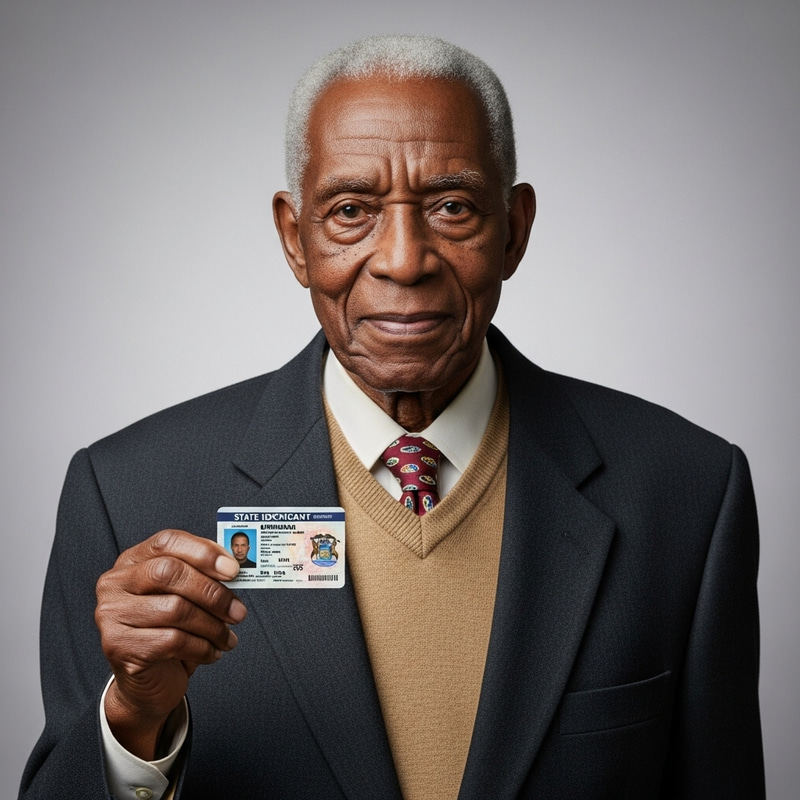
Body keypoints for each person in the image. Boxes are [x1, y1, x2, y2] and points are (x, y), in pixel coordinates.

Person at [19, 34, 764, 800]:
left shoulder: (688, 494)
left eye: (451, 205)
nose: (404, 259)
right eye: (351, 210)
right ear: (294, 237)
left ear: (515, 228)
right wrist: (135, 720)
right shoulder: (127, 494)